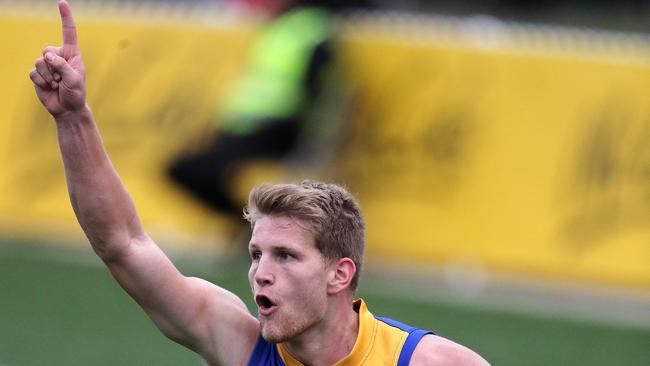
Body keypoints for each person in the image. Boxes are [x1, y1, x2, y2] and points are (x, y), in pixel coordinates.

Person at [29, 1, 490, 365]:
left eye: (285, 255)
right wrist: (73, 117)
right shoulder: (238, 344)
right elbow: (122, 243)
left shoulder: (426, 361)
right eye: (256, 253)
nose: (260, 273)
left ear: (340, 273)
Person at [168, 0, 346, 222]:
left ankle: (254, 224)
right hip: (244, 128)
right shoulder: (283, 26)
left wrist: (310, 145)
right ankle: (254, 223)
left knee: (192, 170)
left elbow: (321, 95)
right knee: (185, 170)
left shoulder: (310, 30)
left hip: (276, 130)